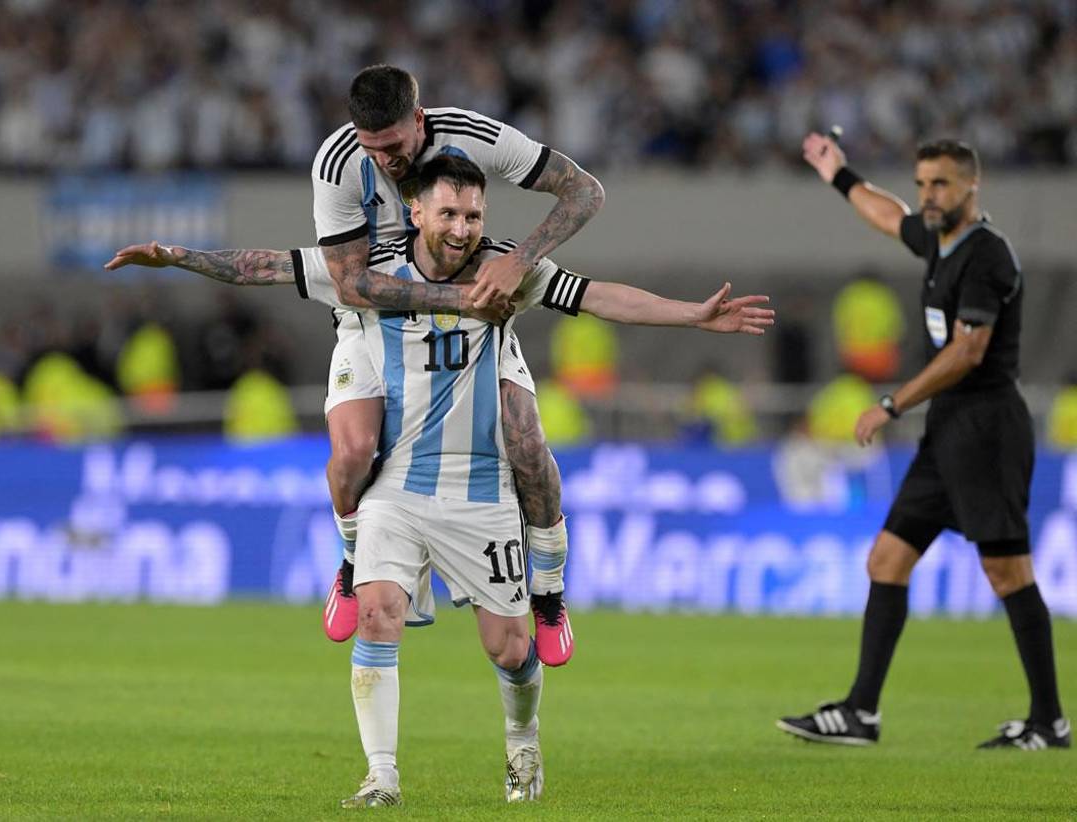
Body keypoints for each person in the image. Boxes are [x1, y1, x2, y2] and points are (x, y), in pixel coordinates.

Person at [111, 155, 773, 805]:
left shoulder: (504, 267)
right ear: (417, 210)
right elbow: (263, 266)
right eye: (450, 212)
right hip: (397, 483)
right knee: (376, 613)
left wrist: (691, 314)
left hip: (478, 487)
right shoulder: (366, 265)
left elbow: (596, 296)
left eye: (474, 214)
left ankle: (522, 737)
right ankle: (380, 777)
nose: (463, 227)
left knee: (511, 652)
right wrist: (177, 256)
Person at [110, 64, 607, 666]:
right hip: (379, 318)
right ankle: (353, 560)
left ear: (418, 122)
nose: (384, 162)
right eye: (371, 148)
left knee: (526, 441)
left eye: (394, 147)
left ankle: (549, 593)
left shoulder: (477, 137)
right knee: (351, 453)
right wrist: (181, 257)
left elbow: (585, 191)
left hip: (478, 306)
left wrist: (516, 261)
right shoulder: (340, 163)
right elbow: (347, 283)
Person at [777, 134, 1069, 750]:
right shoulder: (937, 238)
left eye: (940, 184)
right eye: (922, 184)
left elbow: (970, 351)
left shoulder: (986, 255)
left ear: (971, 185)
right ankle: (862, 712)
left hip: (987, 428)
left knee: (1007, 571)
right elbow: (887, 215)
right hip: (948, 434)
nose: (927, 196)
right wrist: (839, 173)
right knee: (886, 559)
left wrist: (892, 404)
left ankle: (1049, 721)